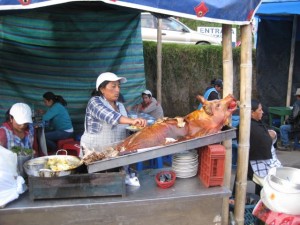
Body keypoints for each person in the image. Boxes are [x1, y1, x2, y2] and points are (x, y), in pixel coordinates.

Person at [80, 72, 147, 153]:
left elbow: (126, 127)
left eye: (119, 86)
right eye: (113, 86)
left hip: (115, 152)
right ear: (102, 89)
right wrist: (132, 121)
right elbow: (110, 116)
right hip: (94, 153)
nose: (118, 90)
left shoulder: (121, 106)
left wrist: (136, 126)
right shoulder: (94, 102)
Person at [248, 99, 282, 194]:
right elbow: (265, 141)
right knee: (277, 185)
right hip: (256, 164)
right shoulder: (250, 127)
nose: (262, 112)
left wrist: (273, 133)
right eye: (260, 110)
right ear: (251, 112)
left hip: (266, 160)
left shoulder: (258, 122)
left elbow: (269, 133)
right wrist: (269, 136)